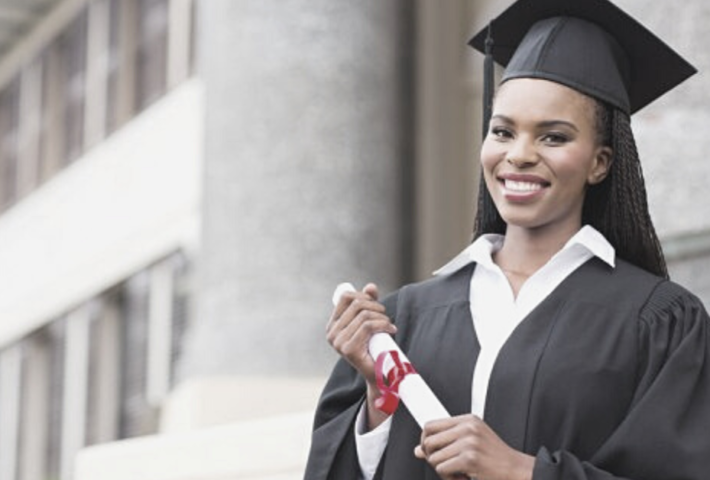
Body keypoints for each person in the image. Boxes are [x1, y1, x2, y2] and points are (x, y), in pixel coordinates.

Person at [304, 0, 710, 479]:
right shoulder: (405, 320)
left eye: (553, 137)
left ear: (600, 162)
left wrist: (521, 470)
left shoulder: (660, 324)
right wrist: (379, 398)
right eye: (503, 131)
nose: (518, 155)